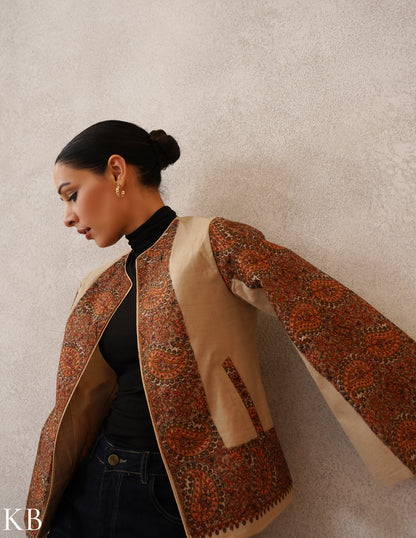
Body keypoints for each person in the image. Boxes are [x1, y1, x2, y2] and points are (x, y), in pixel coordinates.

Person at [25, 120, 416, 538]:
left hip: (180, 498)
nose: (67, 217)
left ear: (117, 172)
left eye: (72, 195)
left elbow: (318, 311)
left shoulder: (213, 242)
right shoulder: (98, 286)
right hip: (94, 481)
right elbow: (76, 406)